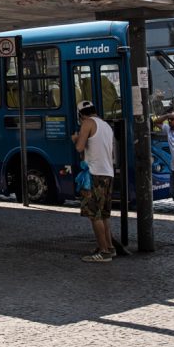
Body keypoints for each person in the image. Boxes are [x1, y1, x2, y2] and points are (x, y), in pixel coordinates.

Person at [72, 100, 116, 263]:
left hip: (94, 174)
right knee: (104, 214)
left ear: (81, 114)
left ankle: (103, 252)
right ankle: (109, 247)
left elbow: (79, 147)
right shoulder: (106, 125)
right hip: (108, 173)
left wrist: (75, 138)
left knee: (94, 215)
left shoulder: (88, 123)